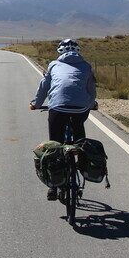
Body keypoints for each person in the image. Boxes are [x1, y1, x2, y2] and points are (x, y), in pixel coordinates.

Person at [30, 38, 97, 200]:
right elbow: (91, 90)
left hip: (58, 108)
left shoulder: (53, 65)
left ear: (59, 52)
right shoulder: (86, 66)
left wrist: (36, 104)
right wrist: (92, 104)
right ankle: (82, 163)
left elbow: (44, 87)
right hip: (80, 109)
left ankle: (53, 187)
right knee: (79, 137)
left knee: (55, 145)